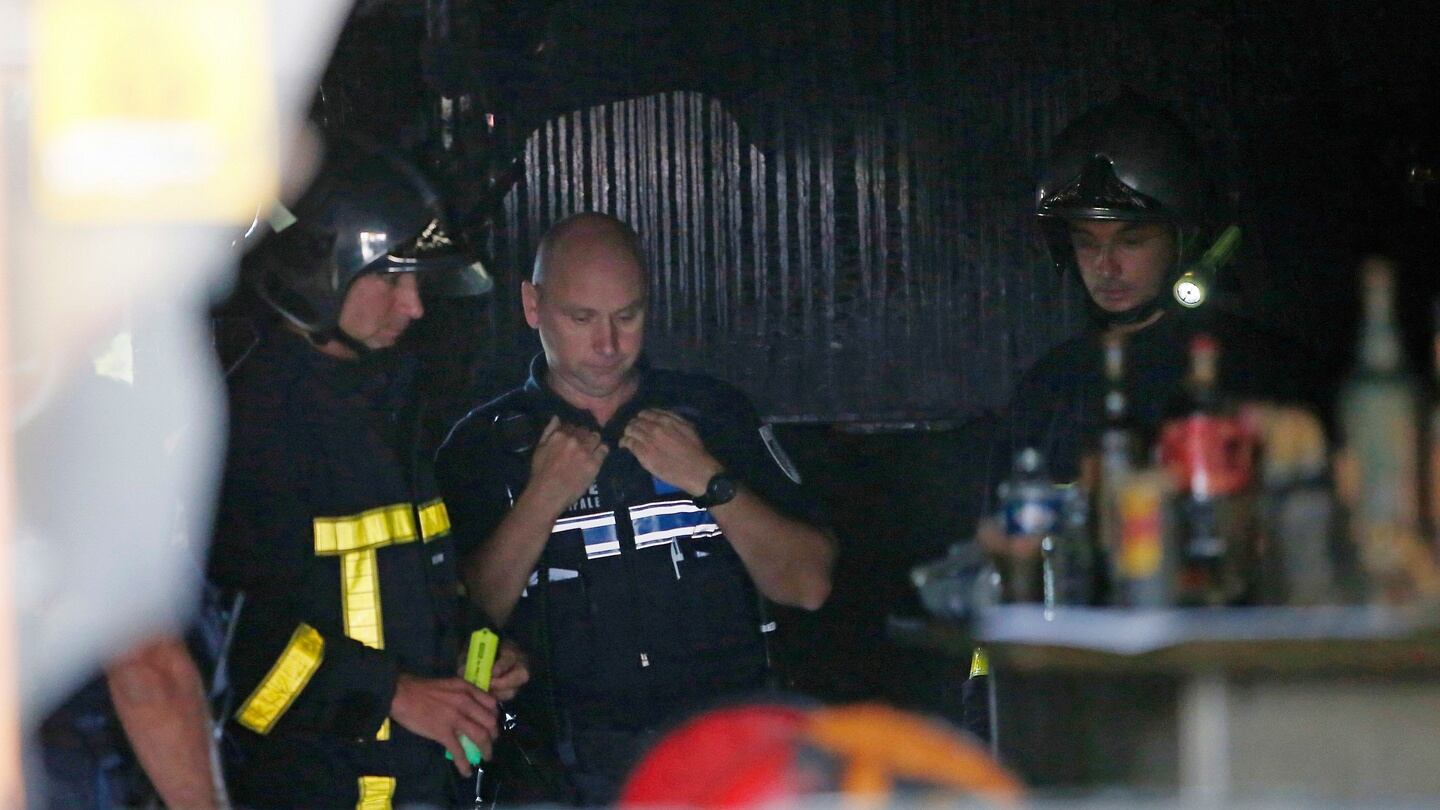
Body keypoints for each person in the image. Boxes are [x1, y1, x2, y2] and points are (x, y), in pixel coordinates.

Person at [437, 212, 836, 804]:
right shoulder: (481, 447)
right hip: (557, 776)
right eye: (582, 318)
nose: (608, 345)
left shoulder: (714, 416)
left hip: (725, 765)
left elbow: (809, 585)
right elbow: (452, 624)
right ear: (532, 305)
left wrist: (709, 479)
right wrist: (541, 498)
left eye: (628, 316)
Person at [207, 138, 525, 808]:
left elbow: (410, 591)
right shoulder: (253, 426)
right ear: (320, 268)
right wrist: (394, 693)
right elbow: (230, 655)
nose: (414, 307)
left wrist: (474, 655)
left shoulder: (388, 405)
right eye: (390, 276)